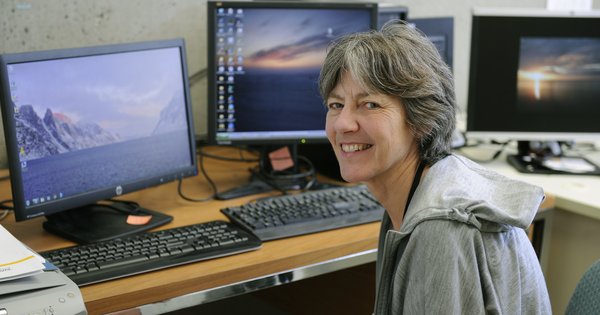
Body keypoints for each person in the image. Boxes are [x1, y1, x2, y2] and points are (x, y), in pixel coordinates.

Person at [318, 21, 551, 314]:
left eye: (371, 105)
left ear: (422, 120)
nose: (342, 124)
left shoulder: (439, 231)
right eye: (336, 105)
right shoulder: (422, 189)